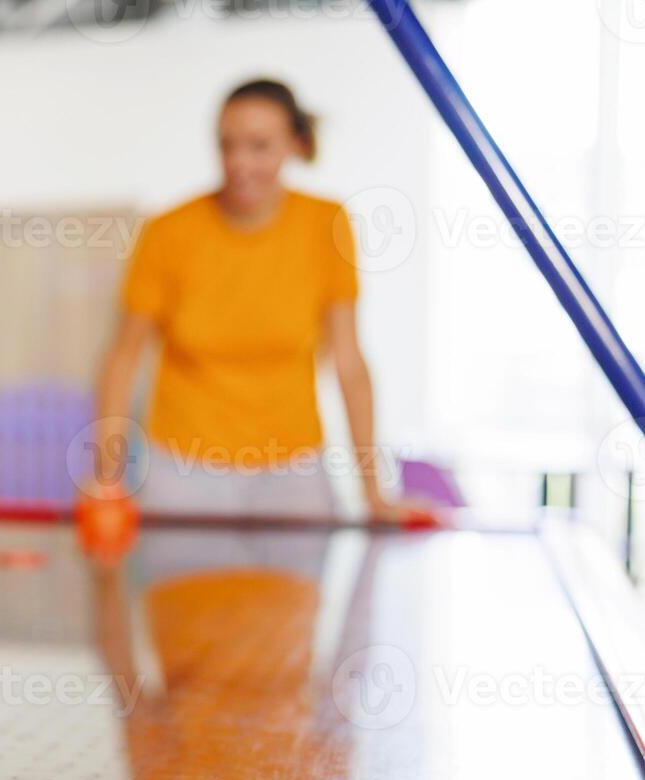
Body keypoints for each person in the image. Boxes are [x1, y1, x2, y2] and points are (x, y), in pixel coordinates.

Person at [96, 78, 431, 523]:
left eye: (259, 146)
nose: (239, 163)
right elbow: (123, 359)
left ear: (293, 144)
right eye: (227, 145)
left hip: (294, 472)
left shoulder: (326, 224)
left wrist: (375, 492)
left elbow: (350, 364)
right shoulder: (168, 232)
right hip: (183, 471)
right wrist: (106, 481)